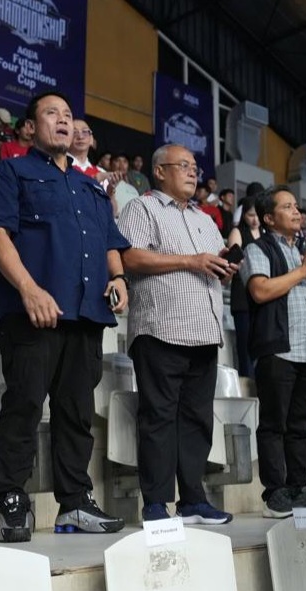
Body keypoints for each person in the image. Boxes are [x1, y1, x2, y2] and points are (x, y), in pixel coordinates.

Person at [0, 91, 128, 542]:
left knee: (77, 412)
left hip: (86, 315)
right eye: (51, 113)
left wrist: (119, 278)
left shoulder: (90, 187)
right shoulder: (12, 172)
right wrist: (29, 289)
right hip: (32, 313)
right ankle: (10, 501)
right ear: (31, 126)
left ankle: (74, 502)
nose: (63, 120)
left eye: (68, 115)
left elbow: (110, 242)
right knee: (24, 406)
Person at [118, 143, 237, 525]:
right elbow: (130, 257)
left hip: (204, 330)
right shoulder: (142, 208)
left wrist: (223, 267)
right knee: (158, 418)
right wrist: (192, 260)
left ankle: (193, 500)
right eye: (183, 165)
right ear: (159, 171)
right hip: (161, 328)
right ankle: (156, 503)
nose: (192, 172)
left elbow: (211, 265)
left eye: (194, 166)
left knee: (198, 421)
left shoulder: (205, 220)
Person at [242, 185, 306, 518]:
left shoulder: (305, 252)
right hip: (277, 350)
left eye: (296, 206)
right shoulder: (258, 248)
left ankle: (301, 490)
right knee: (273, 425)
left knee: (300, 426)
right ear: (269, 218)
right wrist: (305, 271)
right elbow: (260, 290)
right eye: (287, 207)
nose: (296, 211)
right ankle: (275, 495)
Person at [228, 196, 261, 377]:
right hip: (242, 295)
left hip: (261, 295)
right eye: (250, 215)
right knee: (245, 346)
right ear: (243, 215)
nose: (255, 219)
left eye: (257, 215)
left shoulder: (265, 233)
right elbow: (233, 259)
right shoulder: (238, 231)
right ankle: (247, 381)